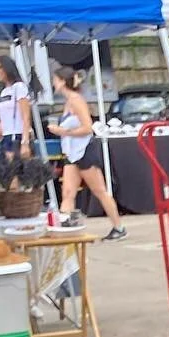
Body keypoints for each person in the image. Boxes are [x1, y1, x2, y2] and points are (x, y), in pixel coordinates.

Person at [47, 66, 126, 242]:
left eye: (55, 79)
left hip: (84, 151)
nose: (53, 83)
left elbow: (87, 127)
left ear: (62, 81)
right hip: (71, 153)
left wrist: (63, 131)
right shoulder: (68, 101)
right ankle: (65, 230)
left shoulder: (76, 100)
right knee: (68, 192)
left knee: (99, 190)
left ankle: (118, 226)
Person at [0, 55, 32, 163]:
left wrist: (25, 142)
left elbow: (26, 117)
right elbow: (3, 122)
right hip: (6, 137)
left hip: (18, 136)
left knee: (15, 174)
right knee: (8, 174)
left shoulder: (19, 87)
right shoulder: (4, 91)